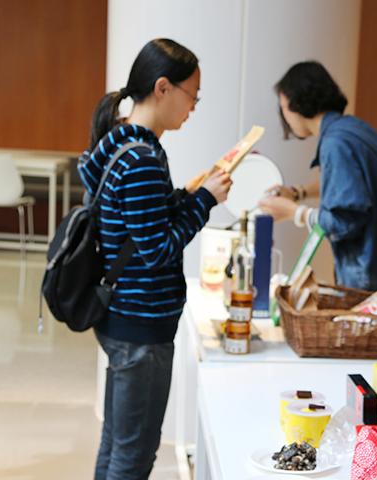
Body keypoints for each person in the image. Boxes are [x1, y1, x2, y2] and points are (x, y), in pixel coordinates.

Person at [79, 38, 232, 479]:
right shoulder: (144, 157)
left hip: (122, 317)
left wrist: (185, 194)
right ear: (163, 88)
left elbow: (138, 223)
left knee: (117, 444)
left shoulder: (120, 143)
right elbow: (157, 250)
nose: (194, 107)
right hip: (141, 325)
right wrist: (205, 201)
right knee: (134, 454)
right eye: (192, 96)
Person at [258, 61, 377, 400]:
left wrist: (293, 213)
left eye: (283, 107)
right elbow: (347, 185)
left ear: (294, 103)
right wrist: (299, 192)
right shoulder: (353, 130)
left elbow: (345, 221)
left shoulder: (335, 144)